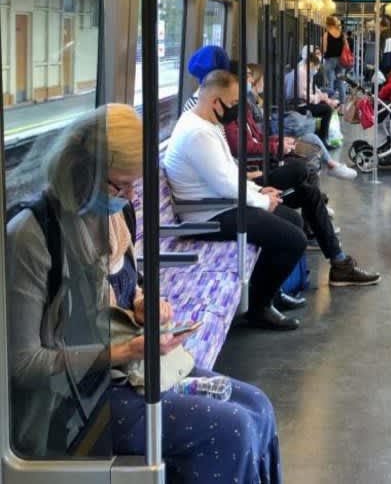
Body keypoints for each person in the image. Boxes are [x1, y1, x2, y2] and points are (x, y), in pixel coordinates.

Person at [6, 104, 283, 482]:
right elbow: (23, 365)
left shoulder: (115, 214)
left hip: (126, 370)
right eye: (120, 185)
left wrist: (142, 302)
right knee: (232, 428)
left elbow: (127, 286)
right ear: (82, 169)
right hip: (74, 402)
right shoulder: (32, 236)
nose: (130, 194)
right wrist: (126, 351)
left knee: (258, 406)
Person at [164, 71, 381, 300]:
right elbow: (226, 182)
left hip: (221, 202)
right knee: (294, 238)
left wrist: (258, 190)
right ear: (215, 102)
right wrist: (262, 200)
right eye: (234, 103)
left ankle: (290, 283)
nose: (237, 109)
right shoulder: (199, 133)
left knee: (298, 206)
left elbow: (226, 174)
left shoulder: (206, 124)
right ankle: (260, 305)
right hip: (209, 215)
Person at [236, 64, 356, 180]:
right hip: (270, 135)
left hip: (270, 134)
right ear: (254, 80)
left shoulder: (253, 100)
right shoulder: (248, 103)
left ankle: (331, 164)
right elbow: (257, 133)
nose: (264, 82)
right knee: (309, 129)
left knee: (310, 135)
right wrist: (276, 144)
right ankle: (331, 165)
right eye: (262, 79)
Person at [296, 49, 338, 146]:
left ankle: (323, 136)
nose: (316, 70)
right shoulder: (303, 73)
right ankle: (323, 139)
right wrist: (319, 98)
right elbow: (303, 95)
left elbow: (313, 89)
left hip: (306, 101)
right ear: (311, 64)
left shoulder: (306, 72)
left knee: (327, 105)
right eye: (316, 67)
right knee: (327, 110)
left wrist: (323, 97)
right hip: (302, 105)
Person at [322, 15, 347, 103]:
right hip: (341, 61)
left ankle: (330, 103)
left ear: (328, 24)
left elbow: (324, 49)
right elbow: (347, 47)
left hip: (330, 60)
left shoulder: (326, 34)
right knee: (341, 82)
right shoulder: (341, 34)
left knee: (330, 82)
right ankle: (343, 102)